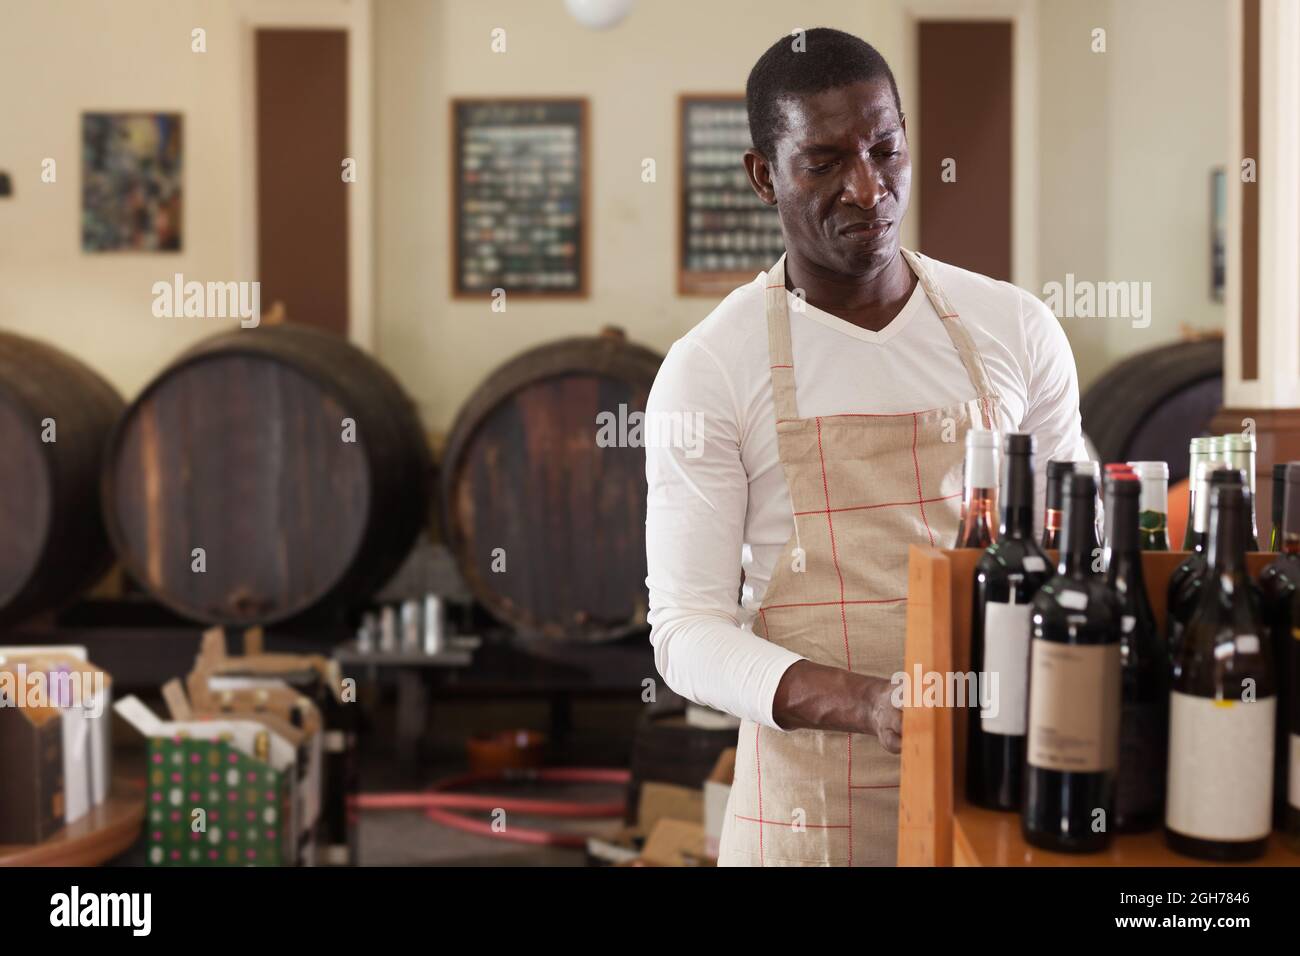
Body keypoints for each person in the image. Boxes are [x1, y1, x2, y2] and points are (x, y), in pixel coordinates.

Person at [644, 27, 1090, 866]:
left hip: (995, 778)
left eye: (885, 149)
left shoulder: (1014, 327)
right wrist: (872, 704)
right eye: (823, 163)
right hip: (808, 807)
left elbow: (1081, 540)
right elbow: (684, 632)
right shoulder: (710, 368)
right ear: (762, 174)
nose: (868, 188)